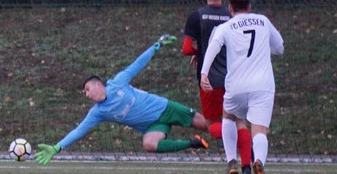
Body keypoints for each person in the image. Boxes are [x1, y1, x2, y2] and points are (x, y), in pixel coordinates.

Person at [34, 35, 210, 164]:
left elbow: (137, 64)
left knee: (209, 126)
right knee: (149, 144)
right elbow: (79, 131)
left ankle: (233, 143)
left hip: (165, 108)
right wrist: (57, 147)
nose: (87, 95)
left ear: (98, 85)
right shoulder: (98, 112)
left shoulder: (117, 83)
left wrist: (156, 45)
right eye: (85, 93)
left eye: (88, 89)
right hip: (153, 126)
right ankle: (192, 143)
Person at [200, 0, 284, 174]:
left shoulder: (226, 27)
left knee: (228, 117)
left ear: (230, 8)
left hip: (236, 85)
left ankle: (231, 161)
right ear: (249, 6)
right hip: (263, 86)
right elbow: (280, 47)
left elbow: (213, 47)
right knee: (260, 130)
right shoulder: (263, 20)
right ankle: (258, 163)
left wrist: (204, 73)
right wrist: (267, 48)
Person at [182, 0, 253, 174]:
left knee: (212, 123)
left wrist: (198, 52)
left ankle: (235, 154)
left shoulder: (197, 16)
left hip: (209, 81)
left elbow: (186, 49)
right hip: (234, 78)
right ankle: (247, 164)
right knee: (240, 122)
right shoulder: (232, 16)